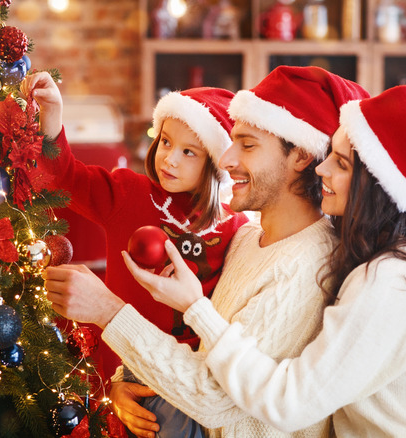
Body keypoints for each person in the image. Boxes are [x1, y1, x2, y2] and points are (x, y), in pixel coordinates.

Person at [117, 85, 406, 436]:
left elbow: (289, 402)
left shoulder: (390, 280)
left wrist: (187, 307)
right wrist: (125, 379)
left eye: (342, 163)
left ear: (377, 185)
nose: (322, 168)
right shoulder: (371, 259)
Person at [43, 66, 370, 437]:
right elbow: (199, 358)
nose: (226, 160)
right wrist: (125, 383)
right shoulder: (248, 238)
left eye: (246, 145)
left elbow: (212, 398)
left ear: (301, 157)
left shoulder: (302, 265)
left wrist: (108, 311)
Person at [21, 73, 249, 436]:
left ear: (216, 164)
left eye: (188, 152)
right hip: (121, 371)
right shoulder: (129, 193)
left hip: (187, 382)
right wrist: (53, 121)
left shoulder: (235, 228)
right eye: (166, 142)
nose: (169, 159)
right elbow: (66, 178)